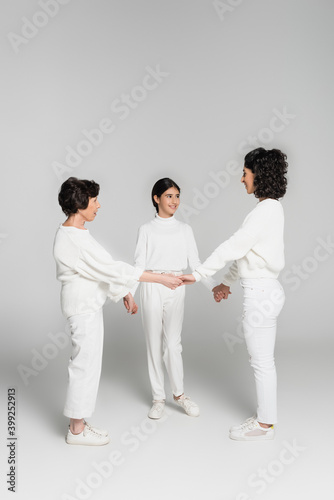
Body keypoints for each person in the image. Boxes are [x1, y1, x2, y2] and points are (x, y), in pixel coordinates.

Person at [53, 177, 182, 446]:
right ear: (80, 203)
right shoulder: (72, 238)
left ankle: (79, 422)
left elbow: (103, 267)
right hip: (82, 308)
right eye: (94, 200)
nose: (98, 205)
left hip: (87, 305)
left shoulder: (78, 233)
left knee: (88, 364)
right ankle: (76, 431)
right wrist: (160, 279)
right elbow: (114, 269)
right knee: (83, 366)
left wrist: (123, 292)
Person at [181, 148, 288, 441]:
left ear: (259, 175)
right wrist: (226, 283)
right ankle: (265, 420)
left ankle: (264, 425)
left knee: (262, 362)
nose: (242, 179)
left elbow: (234, 246)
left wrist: (199, 274)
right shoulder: (269, 209)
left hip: (261, 294)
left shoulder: (265, 211)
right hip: (266, 290)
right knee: (264, 361)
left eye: (245, 173)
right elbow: (247, 255)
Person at [131, 178, 216, 420]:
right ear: (156, 198)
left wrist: (213, 286)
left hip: (177, 286)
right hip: (152, 285)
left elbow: (196, 263)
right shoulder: (146, 229)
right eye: (169, 196)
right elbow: (138, 265)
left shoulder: (185, 229)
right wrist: (127, 293)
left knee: (172, 345)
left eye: (177, 196)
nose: (174, 201)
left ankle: (179, 395)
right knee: (153, 344)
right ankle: (158, 398)